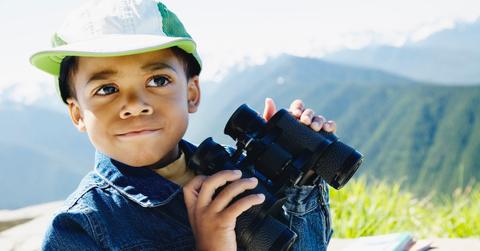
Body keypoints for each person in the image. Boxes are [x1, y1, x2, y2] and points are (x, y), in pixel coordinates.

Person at [30, 0, 336, 250]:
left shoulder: (234, 170)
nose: (135, 104)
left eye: (158, 80)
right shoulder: (79, 228)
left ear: (191, 94)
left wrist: (301, 174)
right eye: (107, 89)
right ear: (78, 114)